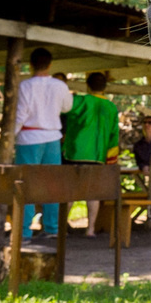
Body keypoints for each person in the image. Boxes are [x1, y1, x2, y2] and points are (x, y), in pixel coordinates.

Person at [14, 47, 74, 239]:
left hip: (29, 138)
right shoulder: (60, 86)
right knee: (52, 184)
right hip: (52, 138)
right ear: (50, 64)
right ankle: (52, 228)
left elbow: (20, 115)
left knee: (26, 184)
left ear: (30, 65)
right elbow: (67, 107)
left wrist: (9, 137)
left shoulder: (25, 86)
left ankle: (24, 231)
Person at [62, 70, 122, 233]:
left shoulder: (79, 101)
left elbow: (62, 114)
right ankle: (90, 229)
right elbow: (114, 135)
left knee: (70, 192)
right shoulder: (111, 107)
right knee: (93, 193)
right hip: (98, 156)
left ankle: (62, 229)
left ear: (87, 85)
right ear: (105, 87)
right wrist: (111, 160)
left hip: (73, 154)